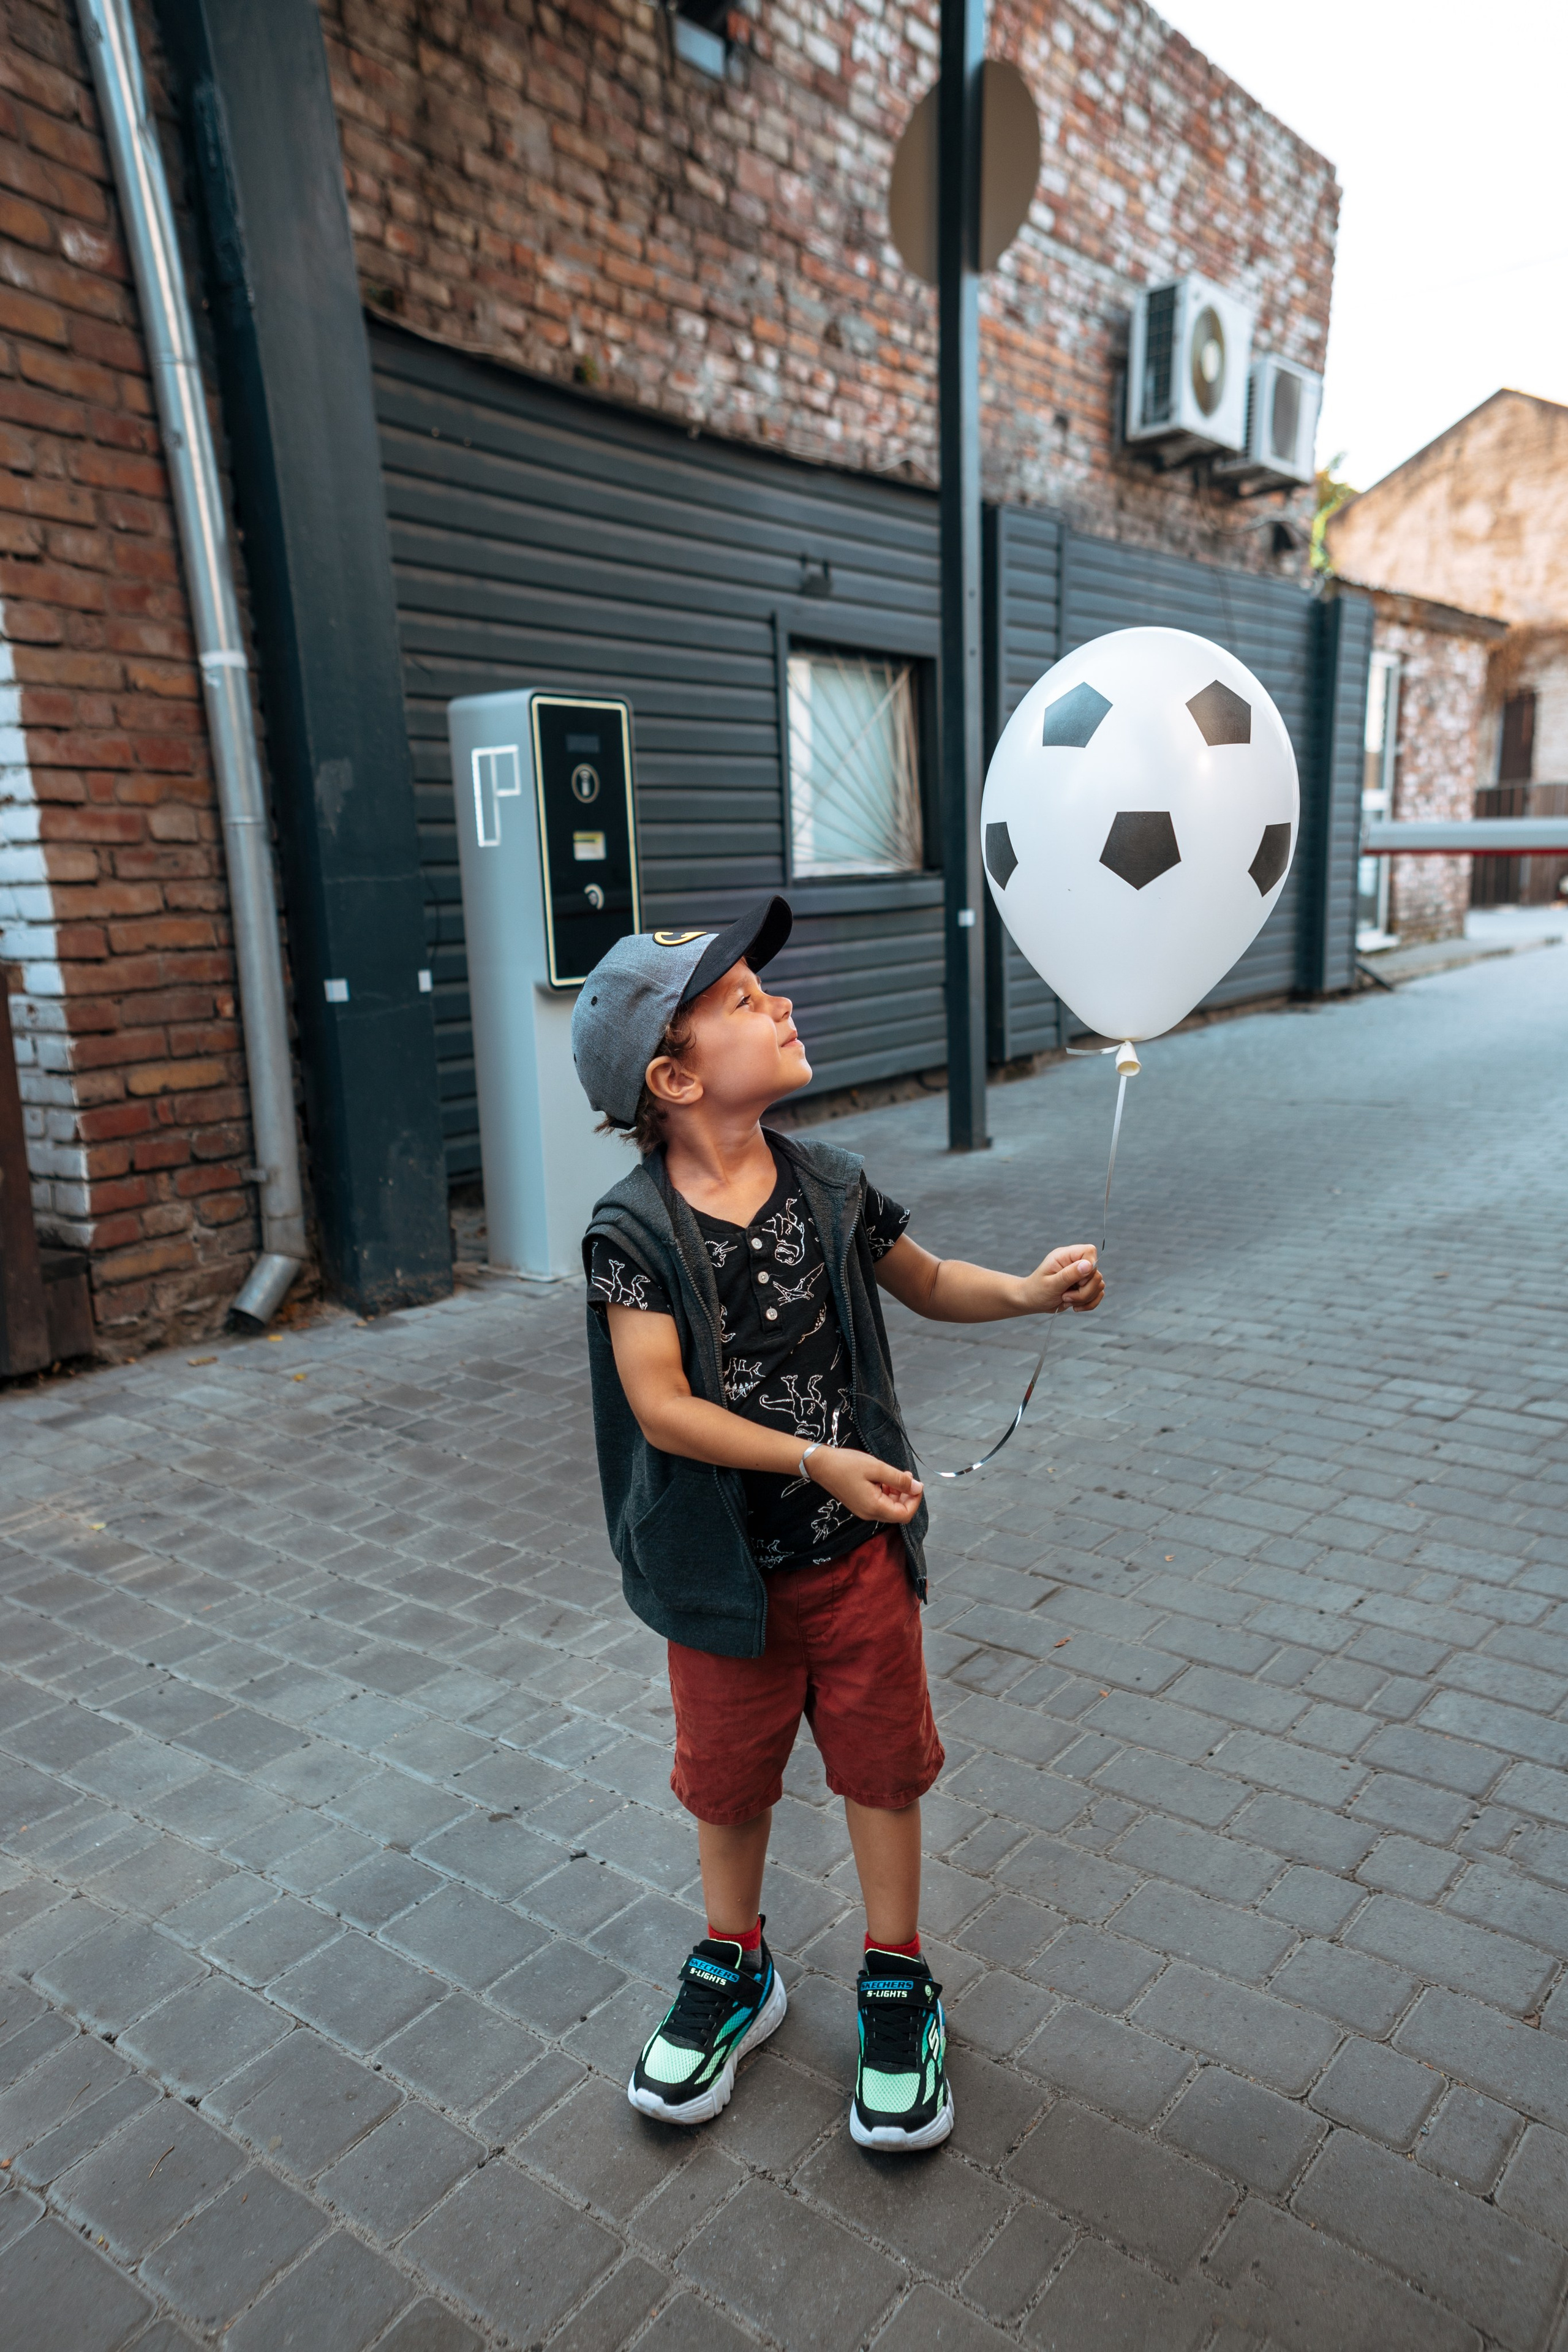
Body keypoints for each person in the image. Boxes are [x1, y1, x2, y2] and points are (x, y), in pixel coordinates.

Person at [572, 895, 1104, 2151]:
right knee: (725, 1783)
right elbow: (660, 1408)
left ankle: (895, 1970)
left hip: (855, 1567)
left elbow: (927, 1284)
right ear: (674, 1075)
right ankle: (736, 1963)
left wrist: (1024, 1291)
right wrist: (818, 1457)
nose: (783, 1005)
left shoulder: (833, 1186)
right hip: (721, 1583)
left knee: (880, 1767)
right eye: (747, 1002)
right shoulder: (629, 1232)